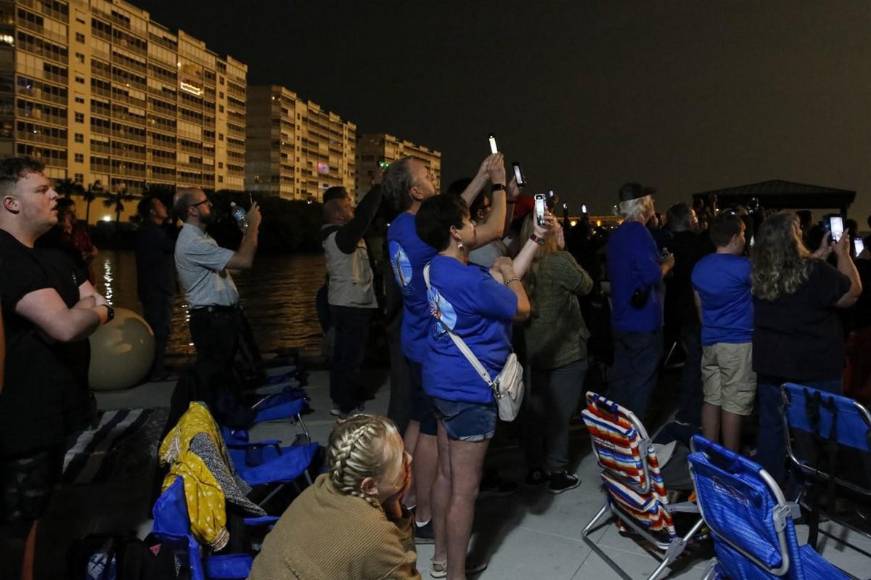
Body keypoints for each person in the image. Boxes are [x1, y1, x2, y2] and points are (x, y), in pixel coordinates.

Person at [416, 193, 548, 579]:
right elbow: (521, 307)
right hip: (469, 393)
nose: (477, 225)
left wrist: (534, 241)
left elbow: (501, 279)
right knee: (464, 491)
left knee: (445, 474)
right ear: (456, 232)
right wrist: (508, 274)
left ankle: (441, 557)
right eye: (469, 221)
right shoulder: (470, 279)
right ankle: (457, 574)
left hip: (440, 384)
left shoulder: (438, 268)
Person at [382, 154, 507, 547]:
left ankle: (408, 499)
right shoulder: (422, 233)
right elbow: (493, 227)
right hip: (429, 345)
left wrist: (480, 175)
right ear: (415, 191)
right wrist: (499, 185)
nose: (434, 175)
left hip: (413, 336)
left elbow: (445, 214)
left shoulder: (402, 227)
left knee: (419, 423)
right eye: (426, 175)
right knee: (433, 435)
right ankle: (424, 514)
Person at [0, 157, 112, 578]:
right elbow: (66, 325)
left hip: (51, 414)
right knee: (17, 524)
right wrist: (96, 313)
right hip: (21, 419)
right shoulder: (7, 257)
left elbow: (94, 299)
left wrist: (92, 307)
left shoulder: (48, 255)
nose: (56, 196)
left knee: (34, 512)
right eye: (42, 190)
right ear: (11, 203)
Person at [752, 211, 862, 485]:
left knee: (772, 429)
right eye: (798, 229)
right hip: (814, 367)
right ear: (792, 237)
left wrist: (821, 253)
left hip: (772, 366)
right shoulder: (814, 272)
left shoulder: (760, 272)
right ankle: (806, 491)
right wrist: (843, 254)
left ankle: (770, 487)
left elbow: (795, 277)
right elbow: (852, 293)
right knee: (815, 432)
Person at [248, 414, 419, 580]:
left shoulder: (321, 487)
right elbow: (404, 572)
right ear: (369, 486)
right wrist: (397, 512)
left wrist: (393, 500)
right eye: (401, 459)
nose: (410, 459)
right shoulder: (373, 534)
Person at [519, 215, 593, 493]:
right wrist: (563, 249)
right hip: (565, 350)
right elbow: (585, 285)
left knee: (535, 412)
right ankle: (557, 471)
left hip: (534, 348)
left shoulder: (523, 263)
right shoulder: (559, 261)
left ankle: (534, 467)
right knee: (560, 413)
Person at [172, 189, 261, 382]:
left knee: (233, 376)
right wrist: (253, 225)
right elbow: (245, 261)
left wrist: (247, 232)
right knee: (218, 378)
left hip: (222, 317)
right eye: (205, 202)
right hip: (212, 321)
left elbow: (235, 267)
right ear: (192, 211)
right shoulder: (192, 242)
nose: (210, 204)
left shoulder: (204, 238)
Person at [606, 182, 674, 419]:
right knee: (640, 384)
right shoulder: (638, 232)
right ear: (643, 205)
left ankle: (616, 434)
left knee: (622, 381)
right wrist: (667, 264)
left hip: (622, 319)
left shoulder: (617, 235)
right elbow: (651, 275)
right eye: (651, 202)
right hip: (642, 321)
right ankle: (634, 439)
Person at [691, 212, 754, 451]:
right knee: (734, 402)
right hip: (738, 342)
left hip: (710, 341)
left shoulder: (700, 267)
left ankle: (709, 452)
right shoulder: (744, 268)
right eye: (744, 234)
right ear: (735, 237)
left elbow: (699, 306)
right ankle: (731, 459)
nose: (745, 239)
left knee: (711, 398)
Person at [321, 183, 383, 417]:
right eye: (348, 206)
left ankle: (347, 395)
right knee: (349, 356)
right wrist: (378, 186)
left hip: (353, 302)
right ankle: (344, 404)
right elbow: (364, 216)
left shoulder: (343, 235)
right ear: (337, 214)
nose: (353, 209)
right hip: (349, 305)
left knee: (349, 354)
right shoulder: (339, 236)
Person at [663, 202, 712, 429]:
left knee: (692, 360)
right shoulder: (698, 245)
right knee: (696, 363)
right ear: (688, 220)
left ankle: (688, 408)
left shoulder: (667, 245)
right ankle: (690, 411)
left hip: (677, 311)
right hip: (695, 311)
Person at [135, 195, 176, 381]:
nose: (164, 207)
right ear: (152, 211)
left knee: (160, 330)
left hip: (155, 289)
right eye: (160, 203)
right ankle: (156, 371)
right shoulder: (151, 232)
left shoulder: (151, 231)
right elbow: (171, 246)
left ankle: (156, 368)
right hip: (157, 290)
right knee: (159, 331)